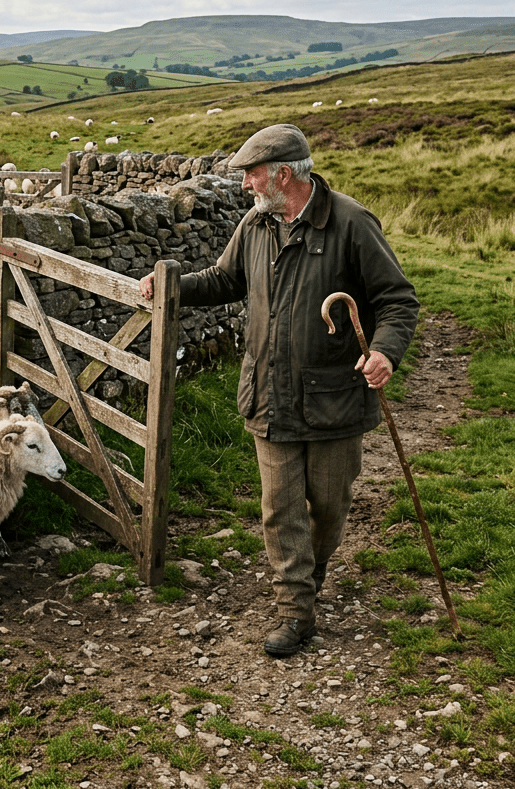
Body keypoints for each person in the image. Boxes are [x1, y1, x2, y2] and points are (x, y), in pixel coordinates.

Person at [139, 124, 418, 657]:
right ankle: (296, 610)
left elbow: (398, 300)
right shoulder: (257, 224)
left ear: (283, 174)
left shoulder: (352, 224)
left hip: (334, 398)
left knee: (329, 508)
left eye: (252, 174)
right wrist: (170, 281)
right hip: (269, 394)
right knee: (279, 508)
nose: (245, 185)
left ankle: (310, 574)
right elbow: (226, 281)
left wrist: (384, 351)